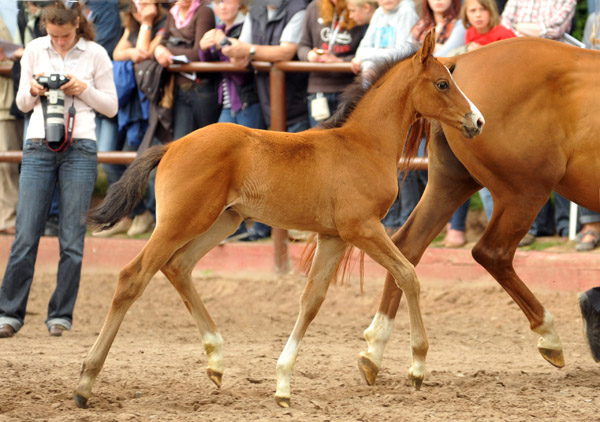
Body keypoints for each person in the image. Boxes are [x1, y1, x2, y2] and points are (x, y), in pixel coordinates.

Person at [0, 2, 118, 338]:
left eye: (65, 35)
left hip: (80, 146)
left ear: (77, 25)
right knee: (25, 235)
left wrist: (83, 89)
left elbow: (111, 106)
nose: (60, 42)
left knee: (72, 239)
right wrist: (34, 90)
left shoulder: (95, 53)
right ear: (45, 29)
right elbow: (21, 103)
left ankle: (61, 315)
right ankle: (9, 313)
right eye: (53, 35)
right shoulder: (36, 49)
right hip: (38, 144)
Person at [219, 0, 310, 241]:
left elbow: (285, 51)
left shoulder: (298, 8)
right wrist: (234, 50)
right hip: (268, 98)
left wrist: (247, 51)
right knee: (273, 170)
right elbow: (243, 49)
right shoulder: (257, 8)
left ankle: (299, 225)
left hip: (296, 100)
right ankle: (264, 227)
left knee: (300, 169)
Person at [93, 0, 168, 238]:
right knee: (111, 159)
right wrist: (132, 47)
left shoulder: (166, 22)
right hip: (128, 104)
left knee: (146, 162)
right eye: (138, 3)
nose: (142, 7)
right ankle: (135, 213)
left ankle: (155, 220)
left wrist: (146, 24)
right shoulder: (130, 24)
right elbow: (118, 52)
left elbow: (144, 53)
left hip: (154, 104)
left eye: (146, 3)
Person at [153, 0, 220, 142]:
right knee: (181, 144)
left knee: (208, 142)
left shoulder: (203, 12)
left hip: (202, 87)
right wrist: (159, 49)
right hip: (180, 89)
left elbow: (197, 54)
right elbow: (161, 44)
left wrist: (167, 50)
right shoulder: (173, 12)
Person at [297, 0, 368, 127]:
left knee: (346, 142)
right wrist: (310, 55)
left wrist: (339, 61)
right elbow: (302, 45)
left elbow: (366, 51)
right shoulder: (314, 7)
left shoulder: (361, 7)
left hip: (349, 89)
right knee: (319, 141)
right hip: (318, 90)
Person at [199, 0, 264, 129]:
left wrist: (222, 44)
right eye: (217, 2)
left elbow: (241, 71)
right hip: (226, 101)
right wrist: (203, 48)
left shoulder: (248, 25)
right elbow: (209, 62)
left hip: (248, 100)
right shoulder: (219, 29)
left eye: (226, 1)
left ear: (240, 3)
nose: (222, 7)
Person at [0, 13, 23, 236]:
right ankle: (8, 218)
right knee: (6, 165)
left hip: (18, 101)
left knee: (20, 163)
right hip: (3, 102)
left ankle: (17, 217)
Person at [350, 0, 418, 75]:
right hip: (375, 68)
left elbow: (402, 52)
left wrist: (366, 56)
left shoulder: (407, 11)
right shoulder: (378, 12)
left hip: (398, 71)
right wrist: (363, 58)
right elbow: (362, 48)